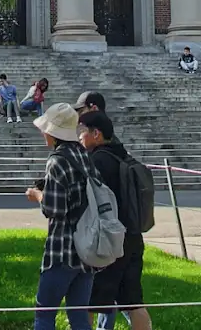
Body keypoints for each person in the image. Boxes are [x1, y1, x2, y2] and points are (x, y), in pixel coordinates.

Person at [78, 111, 150, 330]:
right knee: (134, 301)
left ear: (96, 134)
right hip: (133, 237)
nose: (79, 137)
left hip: (107, 241)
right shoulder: (125, 156)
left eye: (82, 132)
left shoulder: (96, 161)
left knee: (87, 302)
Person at [26, 102, 95, 330]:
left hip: (62, 250)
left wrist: (37, 195)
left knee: (44, 314)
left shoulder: (56, 160)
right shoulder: (85, 156)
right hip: (86, 250)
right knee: (79, 317)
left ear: (53, 133)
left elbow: (53, 208)